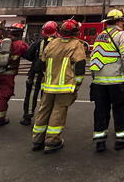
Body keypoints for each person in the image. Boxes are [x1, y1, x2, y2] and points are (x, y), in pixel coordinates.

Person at [31, 19, 86, 154]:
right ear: (76, 32)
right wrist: (77, 85)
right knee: (58, 112)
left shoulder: (52, 43)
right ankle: (52, 141)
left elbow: (41, 64)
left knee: (43, 111)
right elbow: (80, 67)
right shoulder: (76, 45)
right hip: (65, 86)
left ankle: (37, 139)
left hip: (48, 85)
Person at [89, 9, 124, 152]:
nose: (123, 23)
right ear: (117, 21)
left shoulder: (100, 35)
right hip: (116, 82)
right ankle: (122, 139)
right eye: (122, 20)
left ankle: (100, 141)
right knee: (120, 110)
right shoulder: (120, 34)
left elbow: (94, 56)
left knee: (101, 111)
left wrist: (95, 76)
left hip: (99, 83)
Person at [21, 21, 58, 126]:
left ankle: (27, 117)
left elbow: (28, 55)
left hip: (36, 73)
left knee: (32, 94)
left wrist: (37, 60)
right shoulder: (59, 43)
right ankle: (44, 118)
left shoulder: (38, 43)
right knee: (47, 97)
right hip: (51, 74)